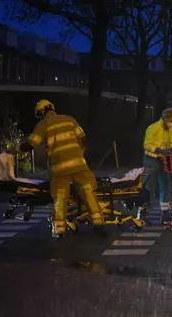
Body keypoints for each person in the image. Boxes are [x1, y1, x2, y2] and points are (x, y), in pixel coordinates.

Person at [7, 100, 104, 236]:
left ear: (41, 112)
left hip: (60, 167)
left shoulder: (44, 124)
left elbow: (32, 144)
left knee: (60, 197)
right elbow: (83, 138)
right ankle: (98, 221)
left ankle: (59, 229)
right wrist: (79, 153)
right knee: (88, 191)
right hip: (79, 164)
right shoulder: (69, 119)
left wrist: (13, 150)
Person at [143, 108, 172, 223]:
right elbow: (147, 144)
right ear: (165, 118)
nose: (171, 123)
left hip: (163, 160)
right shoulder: (153, 128)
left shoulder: (170, 129)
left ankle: (165, 213)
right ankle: (143, 212)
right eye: (170, 120)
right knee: (149, 186)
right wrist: (158, 150)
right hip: (151, 159)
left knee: (164, 185)